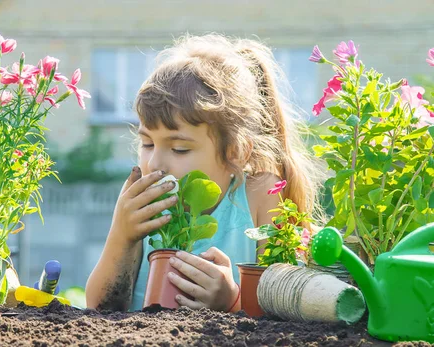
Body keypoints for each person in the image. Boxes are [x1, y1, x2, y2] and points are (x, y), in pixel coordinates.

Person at [86, 33, 324, 313]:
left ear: (236, 151)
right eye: (147, 143)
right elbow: (99, 307)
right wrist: (121, 236)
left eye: (179, 149)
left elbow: (284, 305)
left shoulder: (260, 194)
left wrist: (232, 301)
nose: (156, 163)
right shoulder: (141, 201)